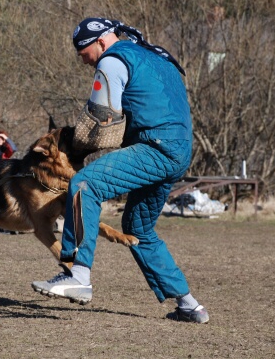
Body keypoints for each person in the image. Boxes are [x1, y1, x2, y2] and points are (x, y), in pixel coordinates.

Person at [31, 18, 209, 323]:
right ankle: (189, 305)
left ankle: (79, 274)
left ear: (100, 42)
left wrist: (77, 144)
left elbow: (102, 116)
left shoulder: (112, 60)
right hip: (179, 149)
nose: (84, 60)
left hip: (156, 146)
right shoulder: (155, 56)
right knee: (138, 228)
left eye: (83, 52)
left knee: (85, 184)